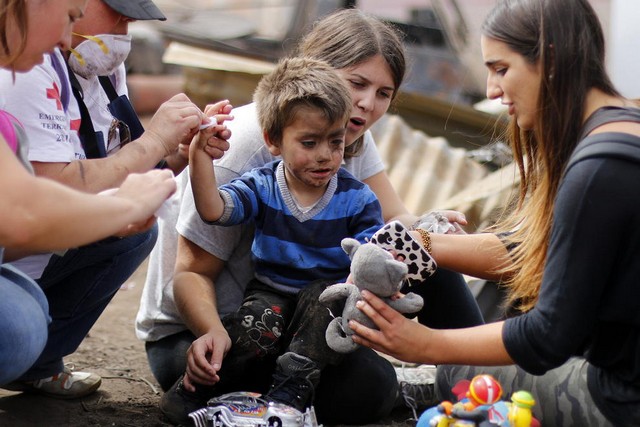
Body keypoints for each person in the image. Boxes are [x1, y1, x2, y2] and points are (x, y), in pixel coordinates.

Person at [143, 8, 483, 426]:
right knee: (369, 387)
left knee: (427, 254)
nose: (368, 104)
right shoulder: (244, 144)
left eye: (383, 93)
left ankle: (483, 383)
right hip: (213, 336)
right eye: (357, 83)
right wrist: (211, 333)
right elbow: (192, 272)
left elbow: (393, 219)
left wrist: (431, 230)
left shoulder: (346, 135)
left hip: (304, 318)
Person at [349, 0, 640, 425]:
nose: (491, 91)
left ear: (550, 59)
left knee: (455, 374)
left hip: (622, 399)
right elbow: (537, 253)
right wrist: (423, 242)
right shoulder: (625, 127)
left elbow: (546, 337)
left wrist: (423, 344)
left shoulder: (598, 169)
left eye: (501, 69)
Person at [0, 0, 210, 399]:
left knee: (29, 309)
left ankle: (36, 365)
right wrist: (126, 197)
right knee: (19, 325)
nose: (66, 39)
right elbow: (25, 217)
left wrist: (174, 156)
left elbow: (30, 200)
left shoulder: (75, 65)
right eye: (70, 17)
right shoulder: (23, 74)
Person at [170, 54, 385, 418]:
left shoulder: (358, 198)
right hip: (270, 291)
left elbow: (369, 254)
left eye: (335, 142)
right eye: (309, 143)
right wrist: (200, 156)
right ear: (273, 141)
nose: (325, 156)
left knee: (327, 305)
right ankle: (198, 389)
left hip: (323, 296)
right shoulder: (263, 184)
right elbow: (214, 209)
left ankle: (286, 402)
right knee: (255, 326)